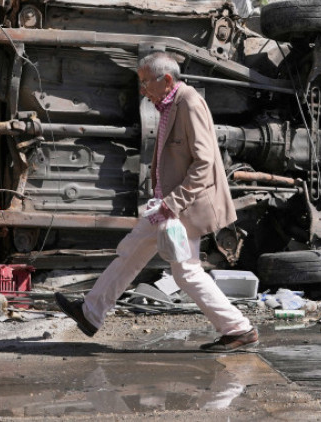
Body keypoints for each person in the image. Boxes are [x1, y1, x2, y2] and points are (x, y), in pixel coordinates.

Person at [55, 51, 258, 353]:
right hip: (167, 206)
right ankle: (90, 313)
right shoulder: (169, 104)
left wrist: (174, 202)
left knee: (184, 272)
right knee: (132, 251)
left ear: (165, 79)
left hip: (181, 207)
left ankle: (239, 329)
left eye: (146, 82)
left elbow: (204, 162)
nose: (142, 90)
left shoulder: (188, 102)